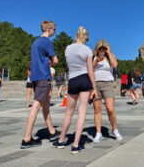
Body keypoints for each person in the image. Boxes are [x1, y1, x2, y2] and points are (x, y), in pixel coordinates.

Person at [52, 26, 97, 154]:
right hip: (84, 80)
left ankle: (61, 141)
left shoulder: (68, 48)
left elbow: (70, 65)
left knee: (68, 112)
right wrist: (94, 88)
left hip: (72, 80)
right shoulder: (87, 50)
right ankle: (76, 145)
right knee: (82, 112)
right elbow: (90, 71)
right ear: (85, 36)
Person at [21, 21, 59, 149]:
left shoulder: (35, 42)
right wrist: (52, 61)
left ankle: (52, 132)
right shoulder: (47, 42)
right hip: (43, 76)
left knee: (45, 104)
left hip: (35, 76)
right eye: (54, 29)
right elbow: (55, 60)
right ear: (49, 29)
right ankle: (26, 138)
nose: (55, 31)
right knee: (36, 106)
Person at [92, 39, 122, 143]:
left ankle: (114, 129)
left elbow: (115, 65)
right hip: (95, 84)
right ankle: (98, 132)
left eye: (104, 48)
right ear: (97, 48)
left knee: (110, 108)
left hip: (108, 83)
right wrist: (96, 61)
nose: (102, 50)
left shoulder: (110, 56)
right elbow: (89, 69)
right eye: (100, 48)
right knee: (97, 109)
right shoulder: (93, 57)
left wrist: (108, 53)